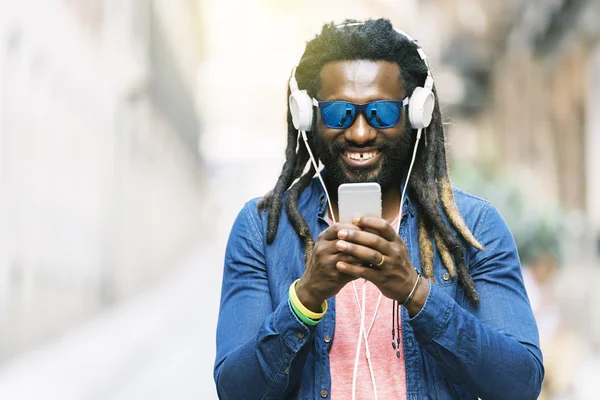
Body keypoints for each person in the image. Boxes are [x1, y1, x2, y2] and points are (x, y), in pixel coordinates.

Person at [214, 18, 543, 400]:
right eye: (339, 113)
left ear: (416, 114)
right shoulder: (261, 232)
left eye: (381, 113)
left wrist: (415, 292)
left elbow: (520, 385)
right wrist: (305, 298)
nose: (359, 133)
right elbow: (236, 391)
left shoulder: (473, 226)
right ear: (307, 116)